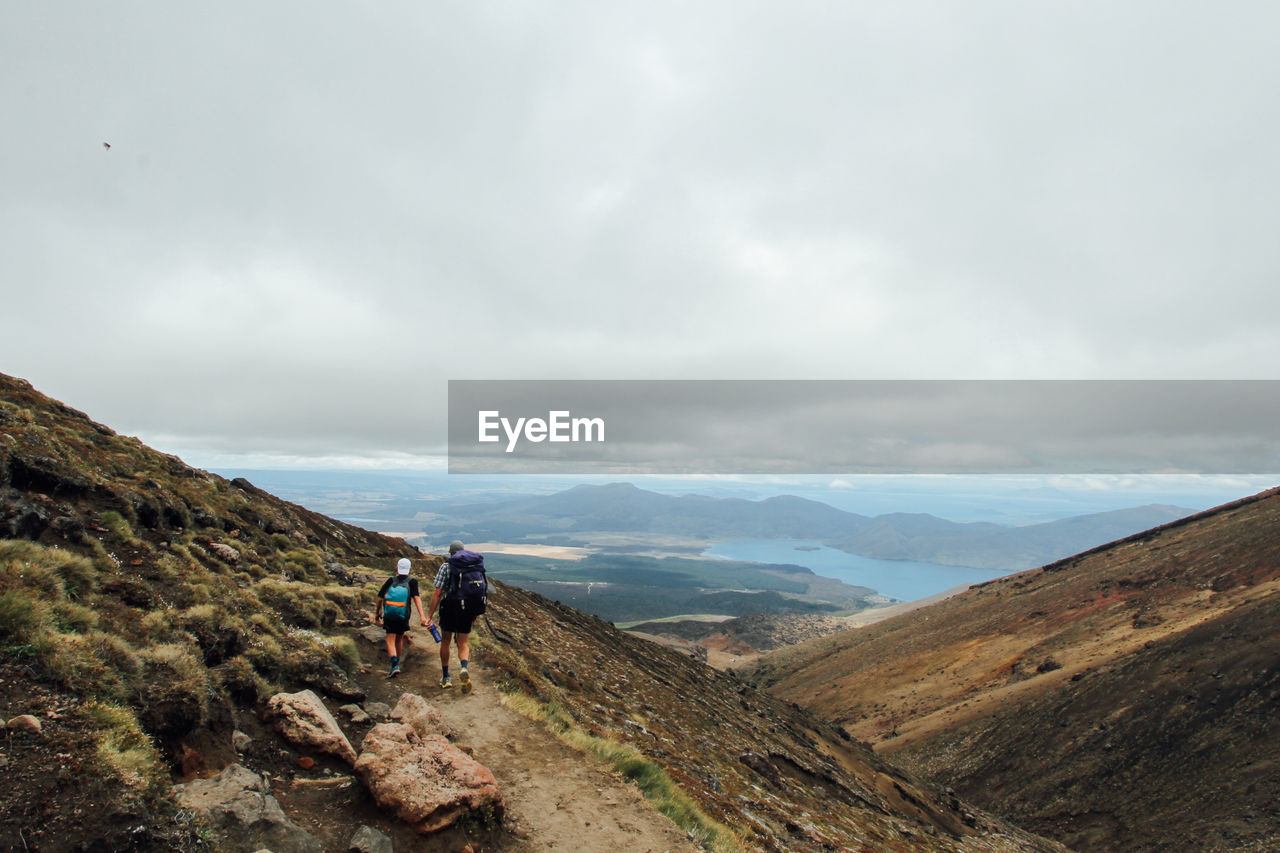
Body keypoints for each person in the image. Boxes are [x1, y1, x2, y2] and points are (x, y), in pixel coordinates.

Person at [426, 541, 484, 692]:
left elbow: (438, 593)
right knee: (463, 643)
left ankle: (446, 677)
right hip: (467, 609)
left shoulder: (446, 566)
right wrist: (474, 612)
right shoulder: (473, 567)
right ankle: (464, 668)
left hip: (449, 607)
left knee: (445, 641)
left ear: (450, 552)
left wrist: (429, 615)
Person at [374, 557, 427, 677]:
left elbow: (380, 598)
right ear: (409, 569)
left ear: (397, 567)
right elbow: (417, 599)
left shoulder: (390, 580)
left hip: (389, 614)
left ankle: (394, 662)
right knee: (399, 638)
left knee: (390, 638)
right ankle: (396, 663)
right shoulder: (412, 582)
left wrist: (377, 613)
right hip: (403, 615)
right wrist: (422, 617)